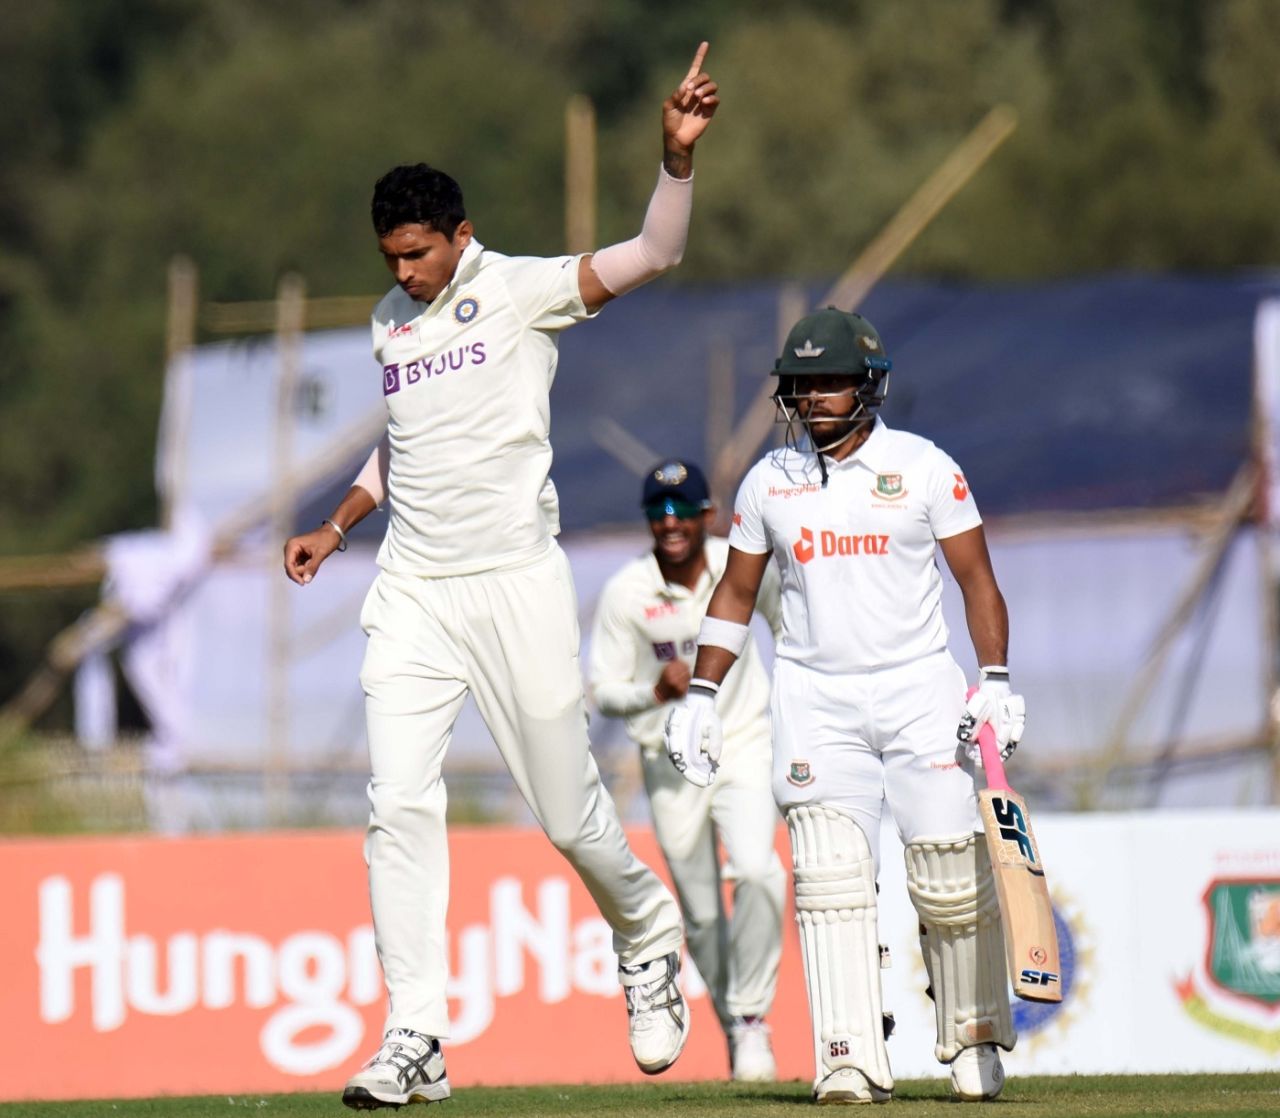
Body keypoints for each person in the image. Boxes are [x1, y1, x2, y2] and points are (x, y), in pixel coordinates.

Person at [283, 44, 720, 1111]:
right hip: (415, 595)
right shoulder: (391, 322)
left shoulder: (521, 292)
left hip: (514, 585)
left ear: (460, 237)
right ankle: (415, 1031)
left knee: (568, 817)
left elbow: (653, 253)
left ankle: (647, 931)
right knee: (396, 803)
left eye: (419, 253)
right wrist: (337, 525)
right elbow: (405, 442)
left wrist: (673, 161)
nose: (403, 273)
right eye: (391, 255)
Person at [663, 307, 1027, 1104]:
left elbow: (977, 581)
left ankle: (972, 1039)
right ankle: (849, 1055)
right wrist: (700, 691)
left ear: (868, 385)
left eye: (831, 382)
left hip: (918, 685)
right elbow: (736, 590)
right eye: (803, 385)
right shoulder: (770, 481)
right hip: (815, 694)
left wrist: (994, 679)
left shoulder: (926, 467)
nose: (816, 398)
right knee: (828, 879)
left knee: (949, 877)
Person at [587, 459, 787, 1083]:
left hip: (743, 742)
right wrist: (654, 691)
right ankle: (734, 1023)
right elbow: (602, 692)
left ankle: (752, 1021)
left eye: (681, 511)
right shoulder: (628, 593)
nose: (669, 523)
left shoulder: (743, 562)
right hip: (669, 764)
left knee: (758, 871)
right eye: (657, 511)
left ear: (708, 515)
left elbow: (795, 630)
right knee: (700, 916)